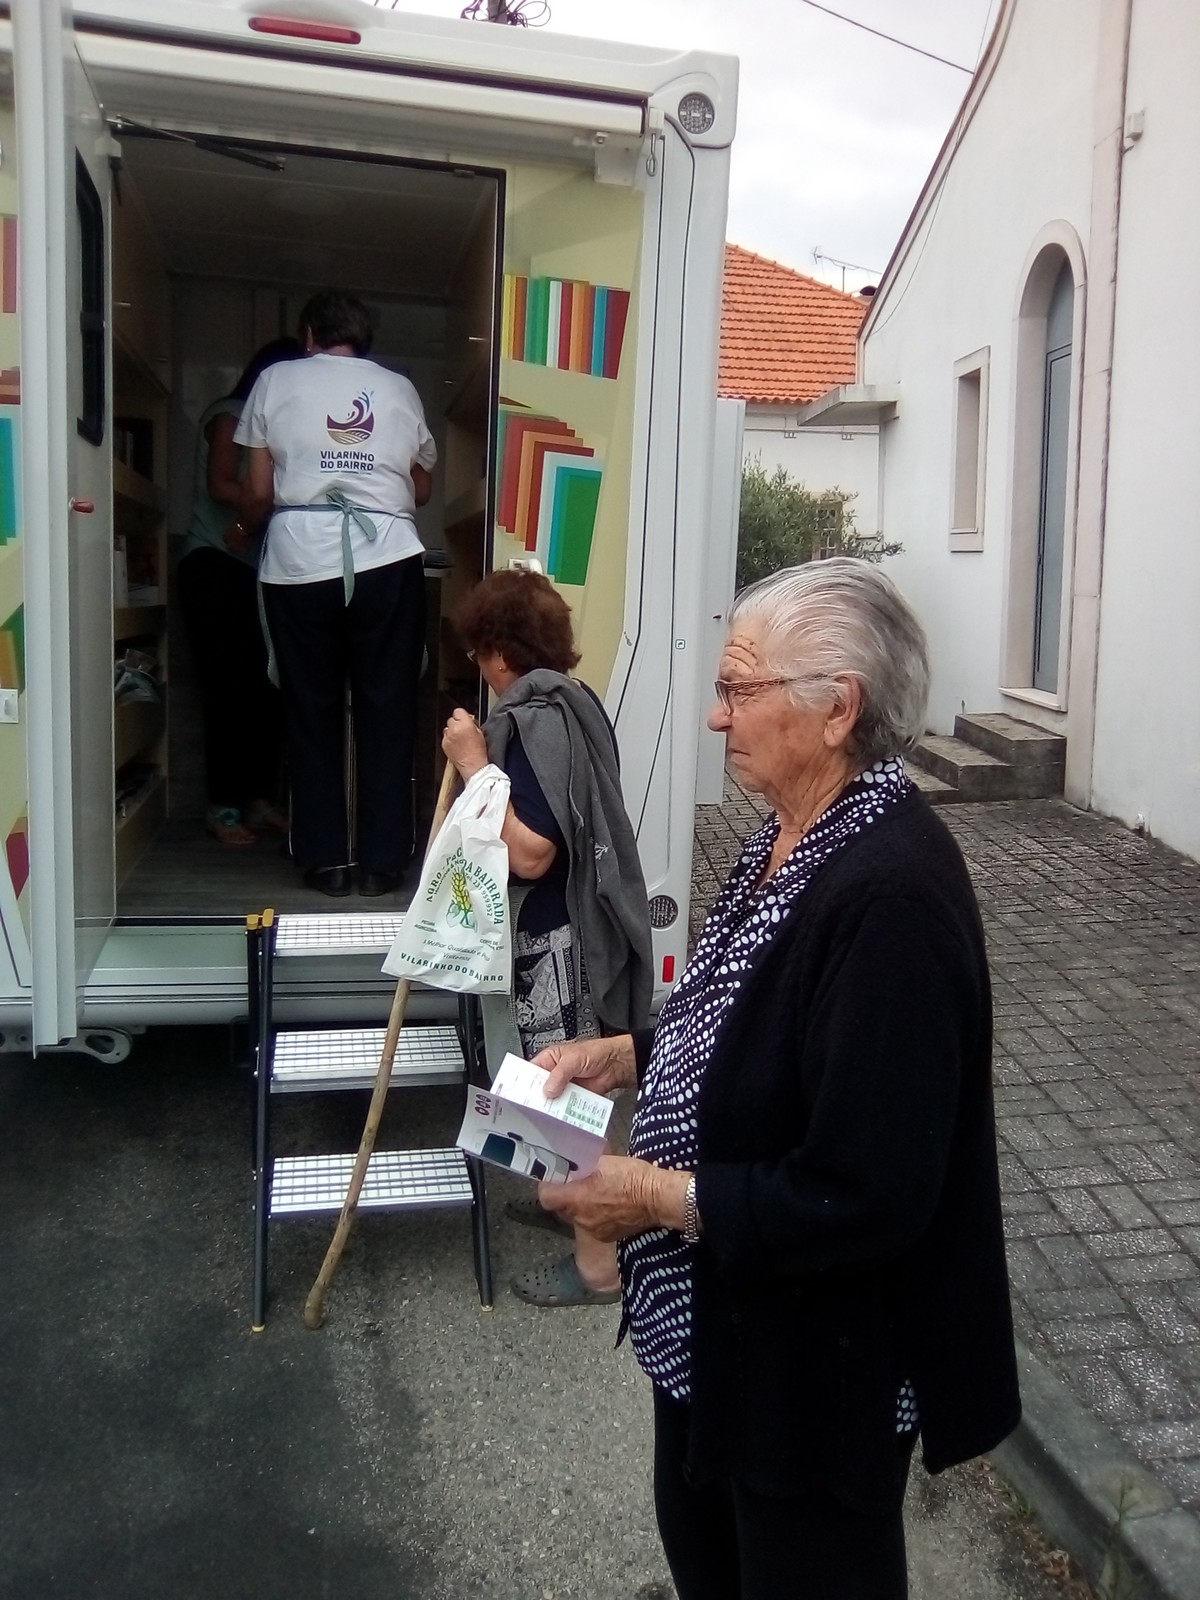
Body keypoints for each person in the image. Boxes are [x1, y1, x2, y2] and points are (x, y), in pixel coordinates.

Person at [528, 559, 1022, 1599]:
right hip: (716, 1341)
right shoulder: (792, 834)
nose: (717, 717)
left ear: (837, 708)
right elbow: (752, 1023)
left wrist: (644, 1194)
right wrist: (626, 1053)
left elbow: (868, 1192)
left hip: (808, 1376)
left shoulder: (889, 897)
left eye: (738, 689)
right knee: (708, 1562)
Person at [440, 569, 654, 1307]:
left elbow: (533, 853)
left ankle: (600, 1267)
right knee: (557, 1097)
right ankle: (570, 1209)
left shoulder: (534, 722)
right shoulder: (576, 702)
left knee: (564, 1104)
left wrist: (474, 766)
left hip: (551, 942)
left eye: (480, 652)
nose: (479, 667)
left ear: (500, 651)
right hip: (571, 932)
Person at [237, 289, 437, 897]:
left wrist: (243, 528)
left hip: (300, 560)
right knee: (388, 707)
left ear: (309, 335)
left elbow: (258, 489)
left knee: (311, 709)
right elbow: (422, 487)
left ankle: (326, 862)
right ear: (363, 338)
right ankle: (383, 864)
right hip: (388, 558)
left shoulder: (275, 380)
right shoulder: (399, 388)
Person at [176, 337, 301, 845]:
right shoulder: (230, 414)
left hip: (252, 569)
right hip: (212, 563)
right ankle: (223, 808)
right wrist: (268, 504)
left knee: (264, 686)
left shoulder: (273, 427)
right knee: (227, 689)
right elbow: (221, 483)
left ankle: (257, 801)